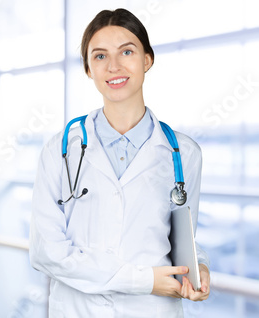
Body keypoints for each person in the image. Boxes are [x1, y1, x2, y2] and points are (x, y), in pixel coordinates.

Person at [29, 8, 210, 318]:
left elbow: (181, 236)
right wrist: (143, 280)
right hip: (78, 310)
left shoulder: (184, 153)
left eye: (127, 51)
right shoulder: (60, 151)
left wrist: (198, 265)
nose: (113, 66)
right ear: (88, 69)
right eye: (99, 56)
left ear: (147, 60)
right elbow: (46, 252)